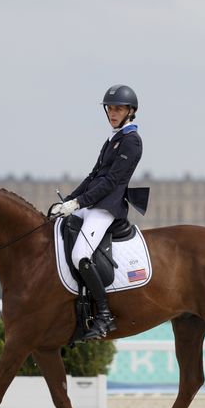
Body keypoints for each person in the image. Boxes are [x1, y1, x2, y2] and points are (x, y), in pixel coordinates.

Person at [51, 84, 143, 341]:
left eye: (119, 109)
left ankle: (103, 315)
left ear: (130, 111)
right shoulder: (112, 140)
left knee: (81, 254)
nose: (113, 113)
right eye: (110, 108)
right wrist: (67, 202)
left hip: (107, 208)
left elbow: (111, 182)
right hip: (93, 204)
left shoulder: (132, 141)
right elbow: (93, 175)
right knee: (58, 229)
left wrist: (79, 202)